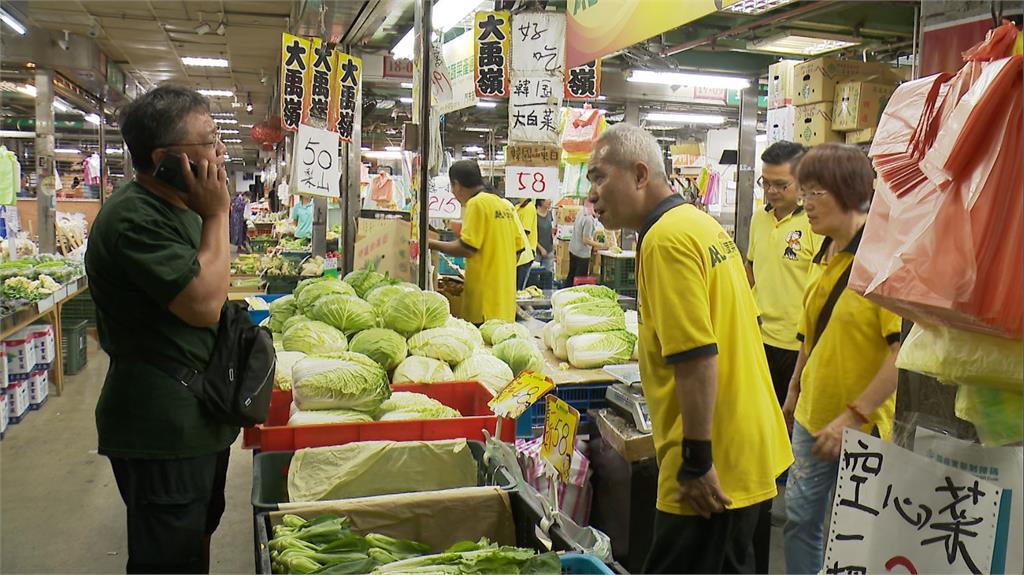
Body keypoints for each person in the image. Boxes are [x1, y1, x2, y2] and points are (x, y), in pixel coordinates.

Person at [586, 123, 792, 574]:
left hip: (712, 463)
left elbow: (697, 357)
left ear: (640, 175)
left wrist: (696, 462)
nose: (592, 195)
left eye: (599, 176)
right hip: (746, 446)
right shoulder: (700, 225)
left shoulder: (666, 240)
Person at [85, 85, 234, 574]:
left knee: (194, 540)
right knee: (167, 560)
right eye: (209, 143)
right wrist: (218, 213)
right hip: (161, 425)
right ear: (164, 158)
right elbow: (204, 304)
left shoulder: (175, 207)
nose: (219, 153)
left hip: (195, 416)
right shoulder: (135, 219)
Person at [782, 143, 902, 575]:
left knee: (855, 535)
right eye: (805, 193)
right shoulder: (824, 252)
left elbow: (900, 352)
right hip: (813, 416)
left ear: (849, 191)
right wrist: (794, 388)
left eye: (816, 193)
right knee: (800, 520)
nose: (806, 205)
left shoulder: (879, 261)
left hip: (861, 427)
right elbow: (811, 335)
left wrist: (853, 415)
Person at [745, 141, 819, 573]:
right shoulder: (758, 219)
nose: (772, 192)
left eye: (781, 184)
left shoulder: (813, 224)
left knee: (792, 427)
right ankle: (765, 496)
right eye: (766, 183)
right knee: (764, 422)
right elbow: (751, 268)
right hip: (760, 339)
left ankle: (786, 504)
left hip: (798, 346)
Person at [428, 160, 524, 324]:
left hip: (483, 304)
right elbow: (519, 248)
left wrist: (429, 243)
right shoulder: (503, 204)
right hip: (504, 302)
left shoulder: (476, 203)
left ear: (457, 185)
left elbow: (467, 248)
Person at [565, 201, 602, 288]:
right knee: (580, 280)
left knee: (571, 275)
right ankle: (576, 296)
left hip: (573, 248)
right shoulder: (589, 220)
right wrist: (600, 245)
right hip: (582, 253)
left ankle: (566, 293)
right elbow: (586, 240)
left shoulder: (581, 212)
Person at [515, 197, 538, 289]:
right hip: (518, 253)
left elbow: (525, 232)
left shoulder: (529, 207)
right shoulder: (517, 207)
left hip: (525, 253)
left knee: (519, 289)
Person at [534, 199, 555, 278]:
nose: (550, 201)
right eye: (548, 199)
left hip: (549, 249)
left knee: (548, 275)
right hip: (537, 252)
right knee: (535, 276)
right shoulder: (534, 215)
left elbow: (550, 229)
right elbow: (531, 235)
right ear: (541, 201)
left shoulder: (549, 214)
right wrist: (541, 248)